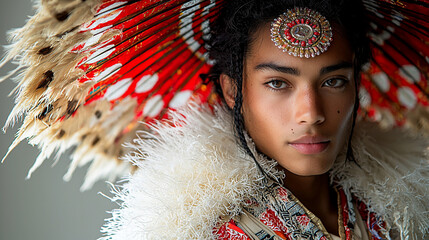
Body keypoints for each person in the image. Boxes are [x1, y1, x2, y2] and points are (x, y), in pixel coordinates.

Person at [99, 0, 429, 239]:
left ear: (357, 84)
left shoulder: (400, 214)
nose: (311, 114)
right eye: (278, 83)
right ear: (232, 90)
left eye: (333, 81)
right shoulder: (200, 230)